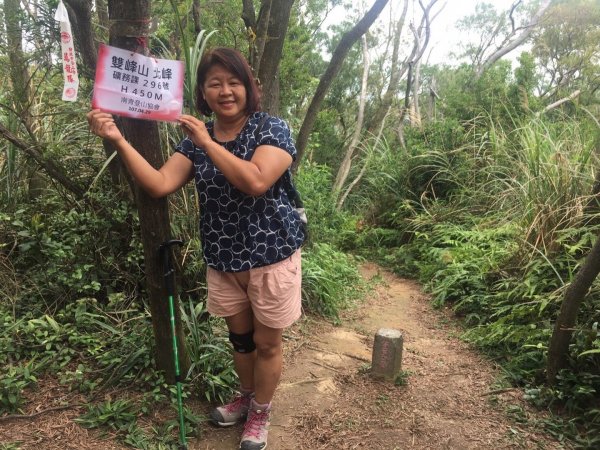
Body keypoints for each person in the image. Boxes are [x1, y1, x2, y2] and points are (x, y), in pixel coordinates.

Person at [87, 47, 305, 450]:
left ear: (248, 87)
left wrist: (206, 142)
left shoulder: (271, 129)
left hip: (272, 258)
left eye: (233, 81)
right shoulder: (195, 141)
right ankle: (245, 396)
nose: (225, 91)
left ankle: (261, 412)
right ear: (203, 93)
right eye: (214, 83)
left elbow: (256, 181)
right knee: (240, 340)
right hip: (224, 261)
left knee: (268, 343)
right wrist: (117, 138)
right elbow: (158, 184)